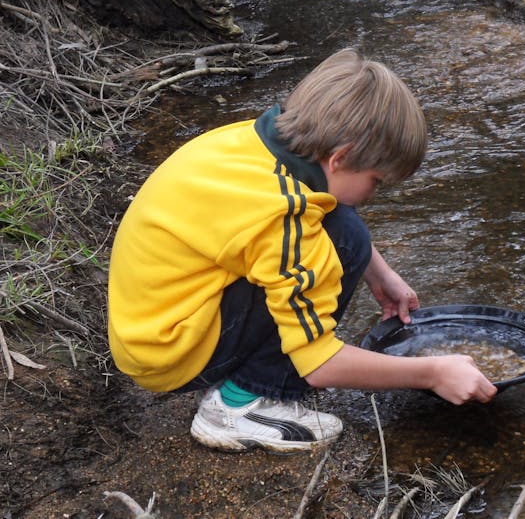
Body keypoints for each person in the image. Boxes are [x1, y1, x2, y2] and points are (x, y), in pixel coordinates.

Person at [107, 48, 498, 453]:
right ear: (340, 158)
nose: (374, 194)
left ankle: (237, 377)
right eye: (377, 181)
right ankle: (239, 405)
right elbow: (317, 363)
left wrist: (379, 273)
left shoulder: (254, 140)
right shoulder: (284, 218)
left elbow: (309, 216)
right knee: (338, 242)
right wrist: (432, 373)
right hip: (171, 354)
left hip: (149, 329)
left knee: (344, 230)